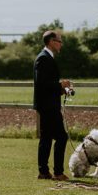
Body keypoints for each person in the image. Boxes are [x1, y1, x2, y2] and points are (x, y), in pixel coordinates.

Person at [33, 29, 72, 181]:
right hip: (48, 106)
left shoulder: (47, 58)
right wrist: (60, 84)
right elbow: (42, 84)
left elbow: (48, 85)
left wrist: (62, 89)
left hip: (48, 104)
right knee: (61, 137)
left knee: (47, 138)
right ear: (51, 42)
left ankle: (44, 172)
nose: (61, 44)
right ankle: (57, 172)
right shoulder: (43, 59)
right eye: (59, 41)